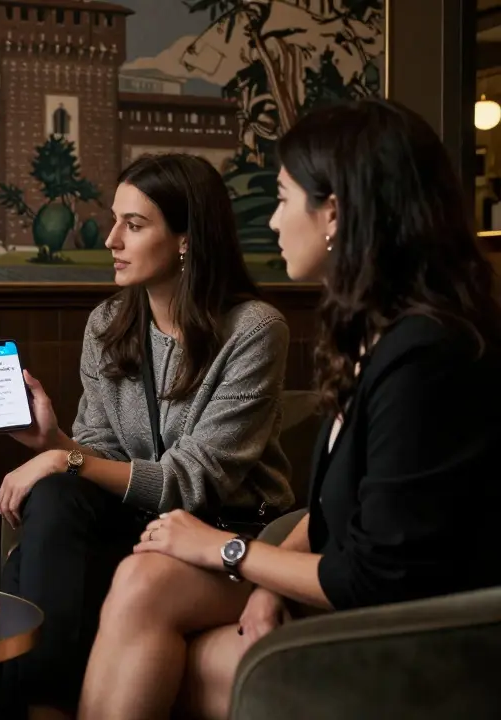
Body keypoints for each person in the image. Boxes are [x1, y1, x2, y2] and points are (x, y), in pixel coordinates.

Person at [80, 99, 501, 720]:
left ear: (334, 211)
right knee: (145, 583)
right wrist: (264, 580)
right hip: (357, 595)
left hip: (420, 634)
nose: (273, 221)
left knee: (174, 653)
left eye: (281, 198)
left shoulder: (428, 356)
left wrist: (230, 553)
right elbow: (335, 505)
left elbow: (376, 575)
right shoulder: (377, 334)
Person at [0, 153, 295, 718]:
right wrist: (54, 443)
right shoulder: (108, 324)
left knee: (35, 550)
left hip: (222, 527)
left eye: (135, 224)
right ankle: (44, 708)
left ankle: (35, 707)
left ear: (185, 240)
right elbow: (98, 456)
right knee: (54, 497)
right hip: (140, 521)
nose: (111, 240)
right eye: (114, 219)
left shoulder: (254, 330)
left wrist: (66, 461)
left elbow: (193, 480)